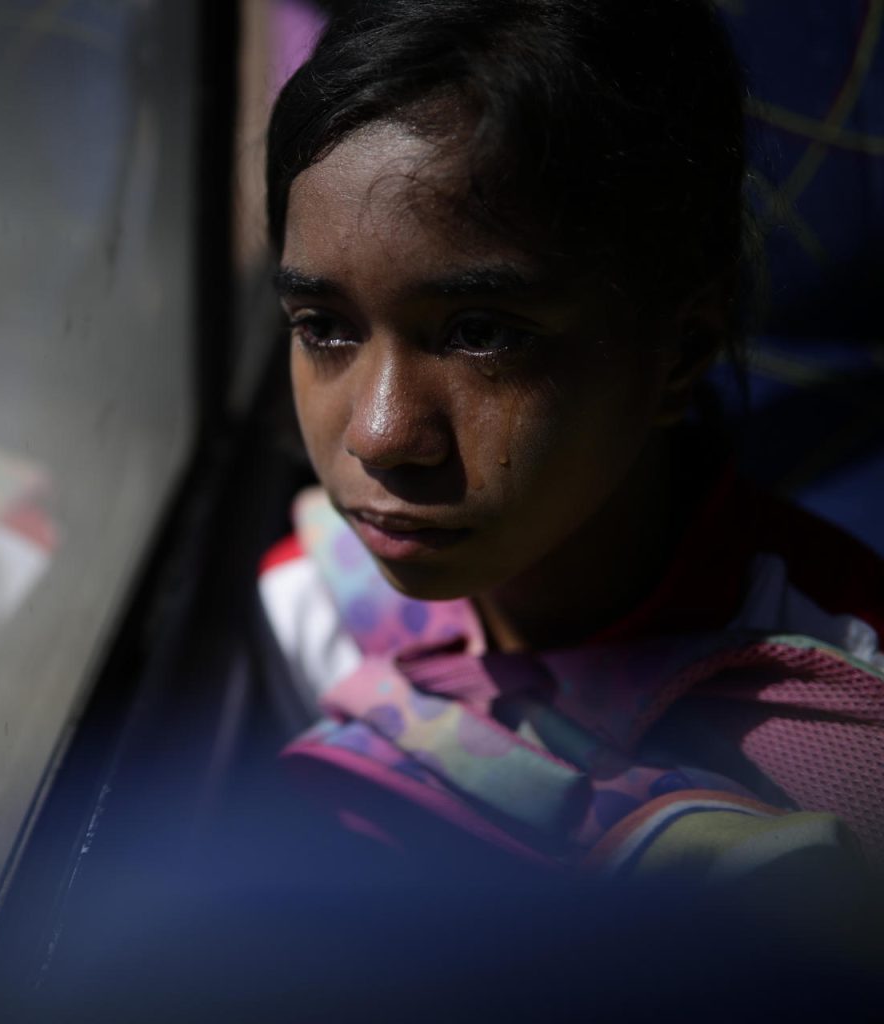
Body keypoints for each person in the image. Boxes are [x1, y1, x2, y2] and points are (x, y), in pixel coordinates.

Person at [257, 0, 884, 878]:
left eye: (482, 333)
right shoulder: (316, 606)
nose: (382, 435)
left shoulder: (842, 715)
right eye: (323, 326)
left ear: (679, 353)